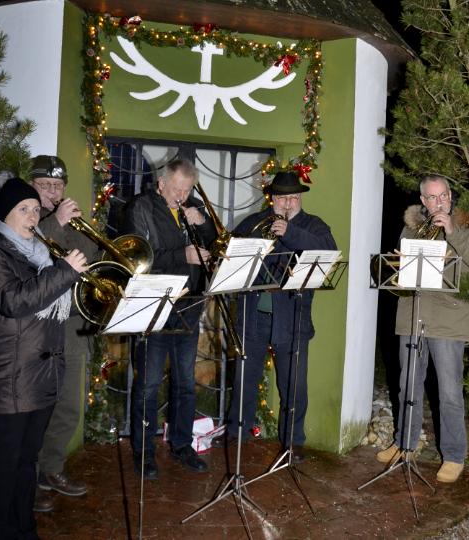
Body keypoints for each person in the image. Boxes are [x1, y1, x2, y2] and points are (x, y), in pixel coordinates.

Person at [0, 177, 88, 539]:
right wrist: (63, 272)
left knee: (26, 465)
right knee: (2, 471)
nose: (33, 216)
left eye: (36, 209)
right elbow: (14, 301)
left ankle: (25, 530)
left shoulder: (40, 254)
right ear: (5, 213)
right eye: (24, 209)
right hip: (4, 384)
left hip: (39, 382)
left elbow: (53, 306)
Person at [212, 171, 337, 462]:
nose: (289, 203)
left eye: (294, 197)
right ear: (273, 199)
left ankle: (293, 442)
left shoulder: (313, 225)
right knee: (245, 379)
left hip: (292, 318)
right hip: (253, 314)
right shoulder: (254, 223)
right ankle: (236, 433)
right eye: (282, 198)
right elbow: (230, 253)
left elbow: (329, 251)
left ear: (300, 198)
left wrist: (289, 232)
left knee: (293, 385)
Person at [123, 158, 216, 479]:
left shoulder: (193, 206)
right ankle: (144, 452)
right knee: (148, 385)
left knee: (185, 383)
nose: (182, 195)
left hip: (189, 306)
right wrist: (182, 255)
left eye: (187, 190)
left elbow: (215, 242)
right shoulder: (141, 207)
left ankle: (181, 445)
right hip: (154, 307)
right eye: (177, 189)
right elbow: (137, 257)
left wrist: (202, 222)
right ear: (161, 184)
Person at [376, 175, 469, 483]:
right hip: (413, 315)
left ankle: (454, 455)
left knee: (449, 392)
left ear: (450, 196)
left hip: (449, 318)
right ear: (423, 201)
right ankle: (405, 443)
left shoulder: (466, 224)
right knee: (408, 386)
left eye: (443, 195)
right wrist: (398, 266)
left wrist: (452, 231)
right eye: (432, 197)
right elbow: (400, 278)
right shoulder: (412, 228)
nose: (439, 202)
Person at [30, 155, 100, 508]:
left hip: (72, 323)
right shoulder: (24, 217)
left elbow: (90, 258)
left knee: (69, 405)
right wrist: (55, 222)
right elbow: (31, 257)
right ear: (31, 186)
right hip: (36, 326)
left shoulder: (70, 222)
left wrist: (72, 226)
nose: (52, 192)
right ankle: (27, 481)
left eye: (57, 186)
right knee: (33, 410)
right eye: (44, 185)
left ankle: (51, 469)